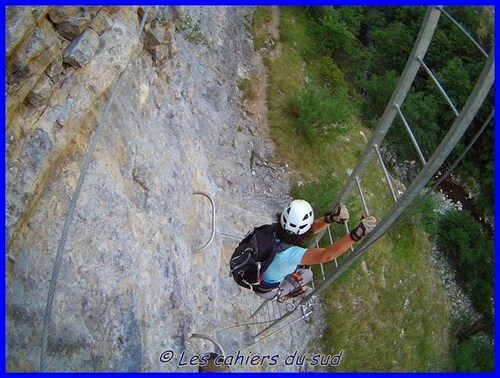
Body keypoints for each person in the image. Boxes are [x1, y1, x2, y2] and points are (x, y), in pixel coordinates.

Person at [255, 199, 377, 301]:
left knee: (301, 266)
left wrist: (329, 218)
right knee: (307, 274)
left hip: (259, 269)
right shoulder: (290, 254)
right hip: (266, 290)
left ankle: (289, 279)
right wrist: (356, 234)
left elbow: (303, 233)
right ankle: (295, 291)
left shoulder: (272, 230)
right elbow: (326, 255)